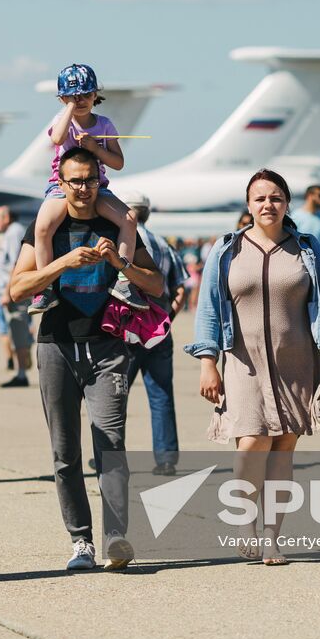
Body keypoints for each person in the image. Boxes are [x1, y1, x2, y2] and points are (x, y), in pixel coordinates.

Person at [8, 147, 164, 571]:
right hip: (55, 345)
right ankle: (81, 542)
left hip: (108, 349)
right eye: (74, 180)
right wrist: (62, 263)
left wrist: (120, 263)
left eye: (89, 180)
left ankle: (115, 537)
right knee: (65, 452)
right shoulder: (45, 227)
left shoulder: (116, 225)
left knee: (110, 443)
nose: (82, 188)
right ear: (60, 181)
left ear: (101, 181)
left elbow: (155, 284)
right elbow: (17, 289)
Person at [187, 170, 320, 563]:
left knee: (283, 449)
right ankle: (246, 524)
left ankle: (273, 535)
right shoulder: (226, 251)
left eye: (275, 198)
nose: (267, 205)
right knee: (251, 445)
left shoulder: (306, 250)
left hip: (295, 361)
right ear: (248, 205)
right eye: (259, 199)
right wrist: (207, 363)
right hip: (243, 362)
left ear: (287, 203)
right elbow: (208, 309)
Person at [29, 63, 147, 314]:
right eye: (73, 96)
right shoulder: (62, 121)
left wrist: (96, 149)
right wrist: (69, 108)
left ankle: (123, 281)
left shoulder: (104, 124)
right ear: (62, 98)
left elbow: (118, 162)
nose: (80, 100)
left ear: (95, 95)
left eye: (85, 94)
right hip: (60, 187)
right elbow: (57, 139)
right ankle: (45, 288)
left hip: (97, 185)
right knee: (42, 227)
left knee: (129, 219)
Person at [118, 191, 186, 477]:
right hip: (160, 331)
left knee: (115, 396)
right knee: (161, 395)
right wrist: (166, 318)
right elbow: (180, 289)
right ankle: (166, 459)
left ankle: (110, 456)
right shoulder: (164, 245)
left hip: (129, 329)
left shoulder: (125, 241)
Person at [0, 205, 33, 387]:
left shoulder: (14, 233)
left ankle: (22, 374)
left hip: (15, 293)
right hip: (11, 292)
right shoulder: (10, 233)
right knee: (15, 332)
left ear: (6, 217)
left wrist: (8, 291)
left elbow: (16, 263)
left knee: (18, 330)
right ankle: (20, 371)